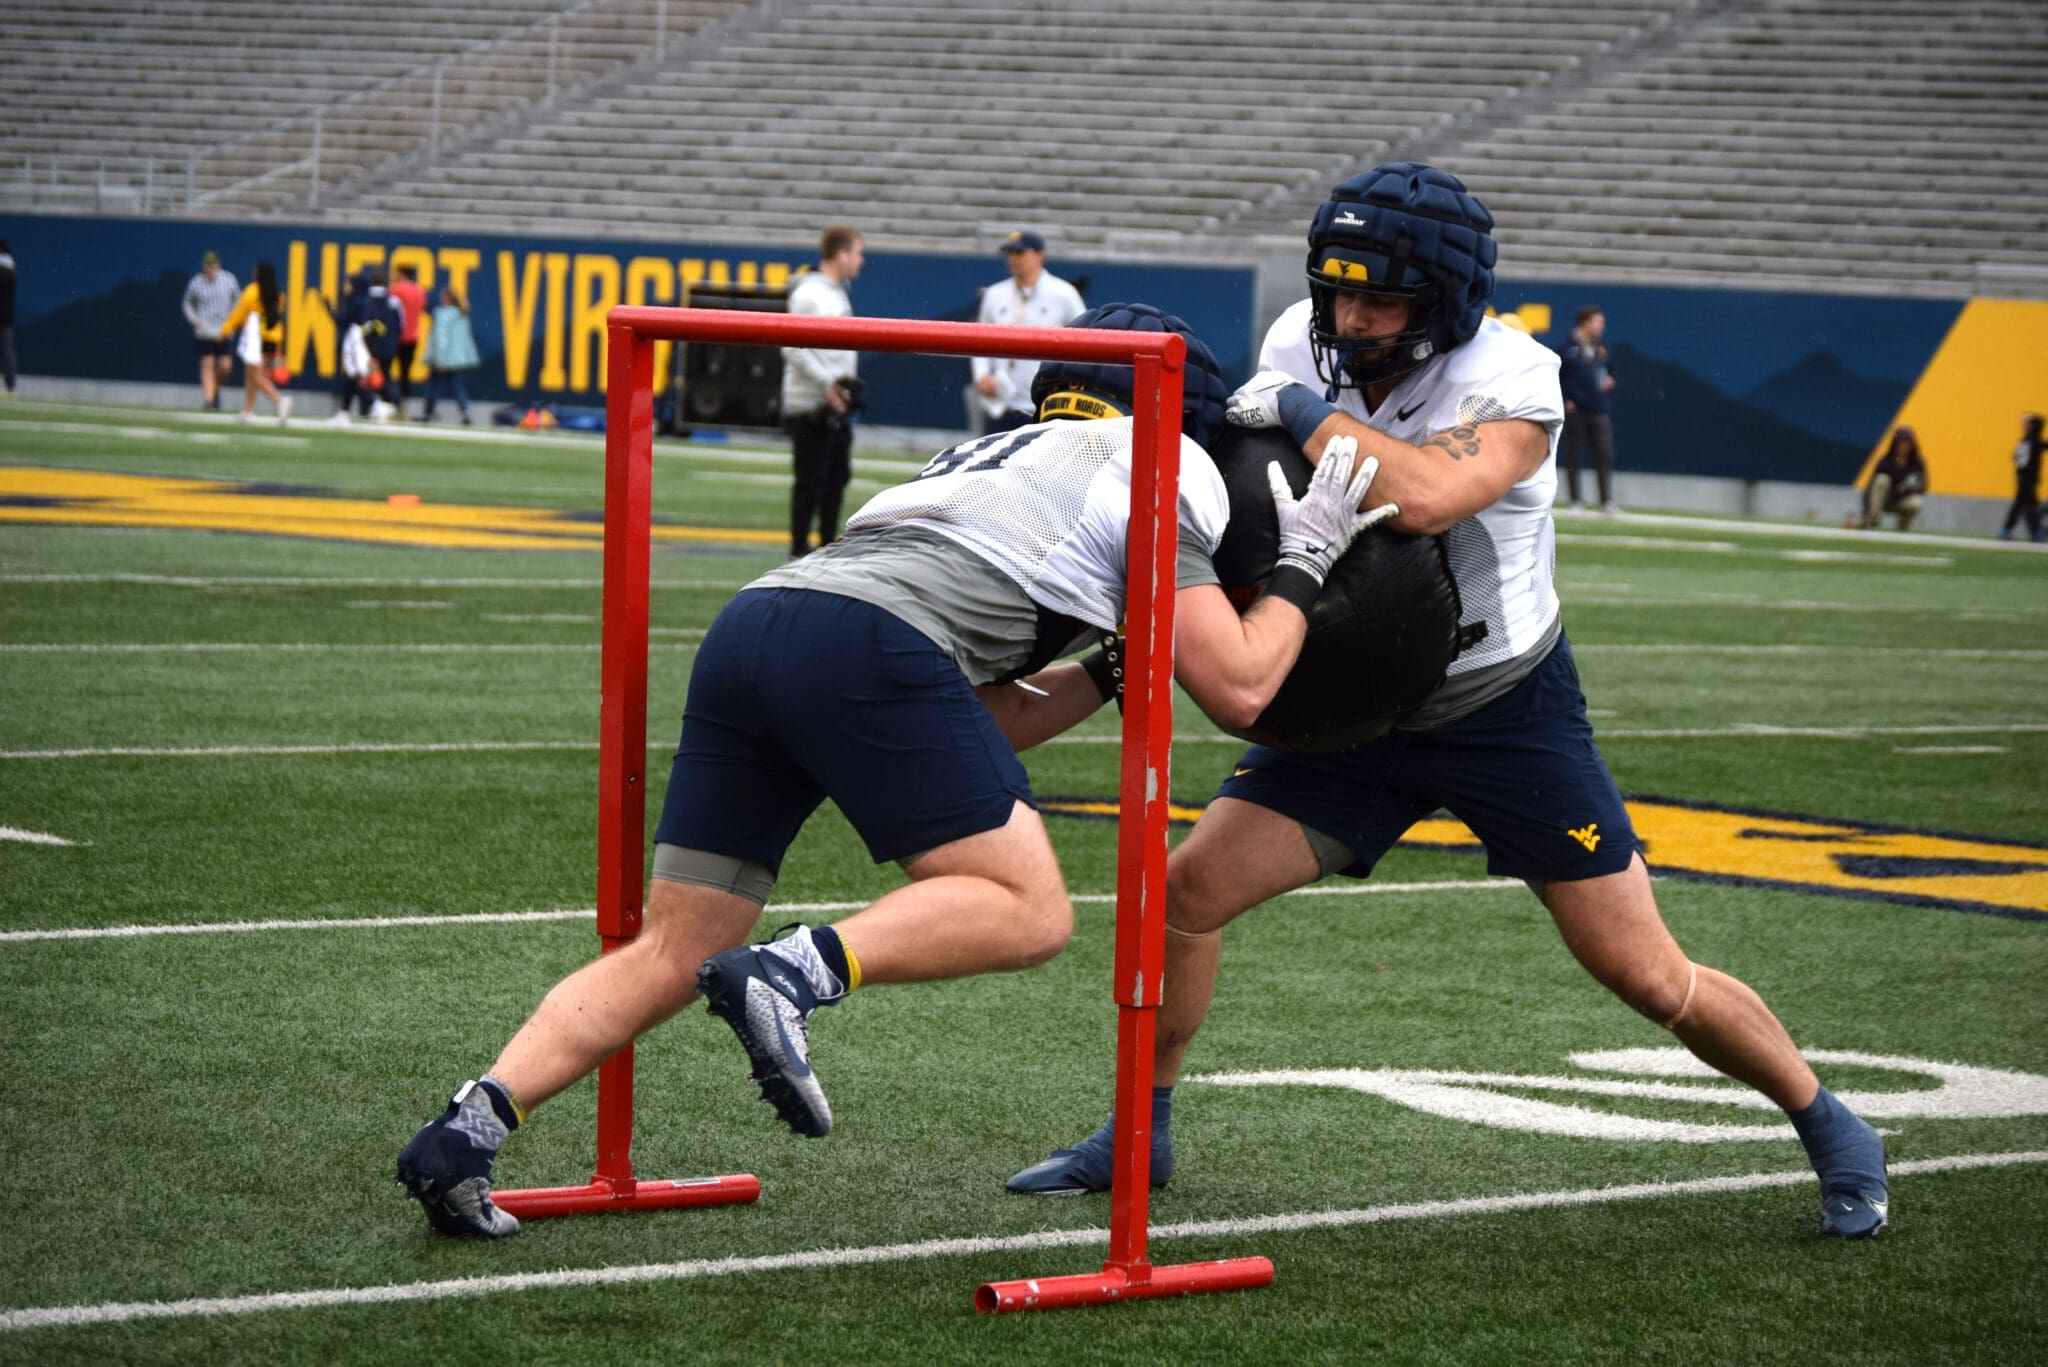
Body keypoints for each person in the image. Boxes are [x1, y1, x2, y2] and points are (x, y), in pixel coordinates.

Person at [1009, 164, 1891, 1241]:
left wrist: (1292, 408)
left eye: (1377, 299)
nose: (1348, 318)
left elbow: (1423, 495)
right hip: (1354, 709)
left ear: (1443, 300)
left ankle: (1830, 1122)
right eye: (1336, 293)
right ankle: (1135, 1130)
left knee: (1646, 973)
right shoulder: (1301, 336)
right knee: (1180, 893)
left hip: (1499, 704)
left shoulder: (1512, 373)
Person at [393, 302, 1394, 1237]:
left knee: (672, 946)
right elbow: (1239, 687)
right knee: (1030, 908)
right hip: (872, 643)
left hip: (759, 624)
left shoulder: (977, 456)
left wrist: (1102, 673)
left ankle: (467, 1127)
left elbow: (970, 720)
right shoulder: (1163, 455)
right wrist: (1305, 558)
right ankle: (794, 973)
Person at [781, 224, 864, 557]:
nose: (862, 261)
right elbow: (792, 346)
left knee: (837, 478)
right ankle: (799, 548)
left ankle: (827, 547)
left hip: (835, 405)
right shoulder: (809, 293)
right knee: (810, 481)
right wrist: (827, 384)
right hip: (811, 405)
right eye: (858, 253)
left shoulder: (835, 292)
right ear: (841, 255)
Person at [970, 231, 1088, 434]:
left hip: (1046, 403)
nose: (1013, 259)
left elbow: (1086, 340)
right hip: (1002, 403)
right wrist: (981, 376)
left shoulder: (1064, 294)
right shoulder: (995, 294)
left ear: (1039, 255)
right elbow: (980, 341)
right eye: (1010, 253)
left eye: (1020, 253)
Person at [1557, 305, 1617, 512]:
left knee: (1604, 455)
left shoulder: (1603, 348)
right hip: (1576, 410)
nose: (1601, 326)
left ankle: (1606, 501)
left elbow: (1610, 373)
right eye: (1598, 322)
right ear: (1585, 323)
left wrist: (1610, 381)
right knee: (1574, 455)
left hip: (1599, 408)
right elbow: (1557, 378)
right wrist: (1565, 399)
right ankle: (1576, 500)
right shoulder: (1566, 348)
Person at [218, 261, 291, 425]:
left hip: (256, 338)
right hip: (271, 340)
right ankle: (248, 410)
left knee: (255, 375)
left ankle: (280, 402)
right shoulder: (278, 294)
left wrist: (225, 330)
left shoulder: (252, 291)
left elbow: (240, 314)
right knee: (252, 375)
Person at [182, 251, 239, 411]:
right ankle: (209, 401)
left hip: (223, 330)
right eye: (208, 267)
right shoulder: (196, 283)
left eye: (214, 266)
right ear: (204, 267)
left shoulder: (229, 280)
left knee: (225, 366)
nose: (211, 270)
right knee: (207, 364)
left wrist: (232, 320)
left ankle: (213, 390)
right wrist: (195, 320)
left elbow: (238, 300)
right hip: (205, 331)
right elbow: (187, 302)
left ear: (218, 266)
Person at [420, 284, 479, 425]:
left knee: (434, 385)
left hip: (443, 357)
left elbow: (442, 337)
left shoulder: (442, 313)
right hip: (456, 359)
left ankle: (428, 413)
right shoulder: (462, 313)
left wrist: (440, 358)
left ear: (447, 298)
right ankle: (464, 411)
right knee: (457, 386)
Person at [1863, 427, 1928, 531]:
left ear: (1912, 445)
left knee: (1916, 502)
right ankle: (1874, 522)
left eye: (1907, 443)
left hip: (1901, 502)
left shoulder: (1917, 463)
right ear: (1895, 444)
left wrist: (1906, 489)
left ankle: (1902, 528)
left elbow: (1923, 485)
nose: (1903, 447)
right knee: (1881, 479)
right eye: (1901, 443)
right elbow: (1870, 487)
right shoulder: (1886, 462)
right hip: (1884, 500)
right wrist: (1865, 511)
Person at [388, 263, 427, 420]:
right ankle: (403, 406)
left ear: (402, 273)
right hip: (412, 338)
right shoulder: (419, 291)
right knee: (405, 375)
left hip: (396, 336)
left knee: (385, 372)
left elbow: (389, 311)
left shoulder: (395, 289)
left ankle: (391, 404)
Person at [2000, 414, 2043, 542]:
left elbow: (2015, 457)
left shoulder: (2028, 440)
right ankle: (2007, 530)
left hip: (2025, 478)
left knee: (2030, 506)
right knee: (2023, 505)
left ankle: (2035, 532)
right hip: (2027, 479)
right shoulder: (2033, 441)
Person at [0, 238, 14, 399]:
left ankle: (10, 385)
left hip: (4, 317)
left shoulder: (6, 271)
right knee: (7, 351)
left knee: (7, 351)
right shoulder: (10, 269)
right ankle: (10, 385)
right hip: (7, 317)